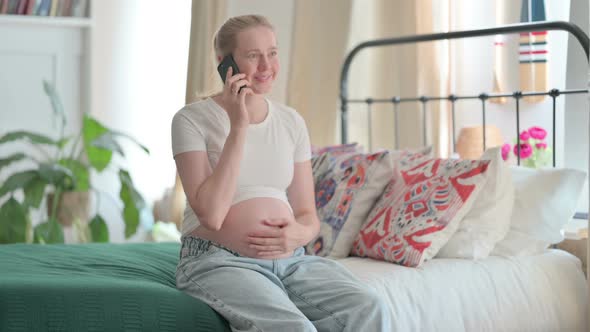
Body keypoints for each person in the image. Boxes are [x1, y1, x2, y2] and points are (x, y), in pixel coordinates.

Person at [172, 14, 391, 331]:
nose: (266, 66)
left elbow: (307, 215)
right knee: (294, 328)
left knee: (368, 308)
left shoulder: (291, 122)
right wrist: (239, 125)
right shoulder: (191, 120)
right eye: (252, 55)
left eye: (272, 53)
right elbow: (212, 215)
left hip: (293, 260)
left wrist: (295, 235)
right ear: (224, 63)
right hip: (218, 260)